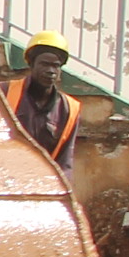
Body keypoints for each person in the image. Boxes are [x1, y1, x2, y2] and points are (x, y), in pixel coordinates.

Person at [6, 31, 80, 167]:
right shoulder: (4, 93)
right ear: (31, 64)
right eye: (44, 64)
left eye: (56, 66)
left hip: (44, 181)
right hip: (7, 175)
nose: (51, 70)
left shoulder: (69, 108)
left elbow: (65, 160)